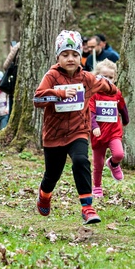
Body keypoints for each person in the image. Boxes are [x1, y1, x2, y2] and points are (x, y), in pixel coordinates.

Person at [34, 31, 117, 225]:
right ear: (58, 57)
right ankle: (44, 194)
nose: (70, 59)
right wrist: (58, 93)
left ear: (81, 56)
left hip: (78, 130)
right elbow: (37, 99)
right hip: (54, 134)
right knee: (52, 173)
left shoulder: (87, 78)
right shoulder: (52, 76)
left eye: (74, 54)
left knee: (81, 160)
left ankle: (87, 207)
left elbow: (105, 85)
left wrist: (114, 90)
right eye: (65, 55)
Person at [88, 60, 130, 198]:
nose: (107, 80)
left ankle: (113, 164)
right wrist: (94, 126)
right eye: (103, 76)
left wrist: (126, 119)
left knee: (119, 154)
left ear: (115, 78)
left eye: (110, 77)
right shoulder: (94, 93)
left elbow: (122, 106)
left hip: (113, 131)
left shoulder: (116, 92)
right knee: (98, 164)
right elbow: (90, 112)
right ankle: (97, 187)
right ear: (97, 76)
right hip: (98, 132)